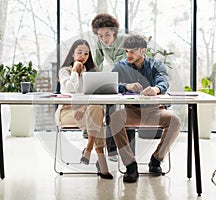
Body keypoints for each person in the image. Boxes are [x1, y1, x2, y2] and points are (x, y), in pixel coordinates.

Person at [109, 35, 181, 183]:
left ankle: (156, 160)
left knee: (175, 121)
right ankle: (130, 165)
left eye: (133, 52)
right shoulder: (120, 66)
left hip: (155, 110)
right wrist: (125, 86)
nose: (129, 55)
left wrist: (156, 89)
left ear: (143, 51)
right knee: (115, 118)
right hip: (132, 111)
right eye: (127, 51)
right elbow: (109, 85)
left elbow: (163, 81)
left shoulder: (157, 65)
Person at [55, 39, 113, 179]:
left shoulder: (92, 71)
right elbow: (70, 89)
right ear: (73, 54)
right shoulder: (65, 71)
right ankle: (101, 160)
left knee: (96, 109)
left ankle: (88, 149)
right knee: (97, 119)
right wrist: (75, 71)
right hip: (67, 110)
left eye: (86, 53)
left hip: (88, 108)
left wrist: (83, 106)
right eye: (79, 52)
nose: (83, 56)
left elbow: (97, 94)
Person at [91, 13, 135, 162]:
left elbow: (121, 65)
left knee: (128, 113)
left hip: (129, 77)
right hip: (113, 78)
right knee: (110, 112)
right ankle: (111, 150)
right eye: (100, 36)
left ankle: (129, 151)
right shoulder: (100, 42)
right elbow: (96, 64)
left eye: (107, 34)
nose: (104, 39)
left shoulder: (125, 41)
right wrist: (93, 80)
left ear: (114, 32)